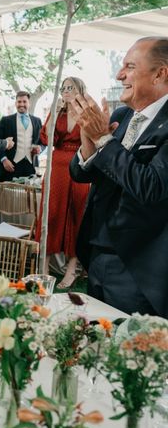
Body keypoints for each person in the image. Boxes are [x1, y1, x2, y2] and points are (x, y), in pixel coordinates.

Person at [70, 36, 168, 317]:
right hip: (97, 255)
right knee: (91, 349)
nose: (119, 74)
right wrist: (89, 141)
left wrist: (103, 138)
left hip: (138, 268)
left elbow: (151, 186)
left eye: (129, 66)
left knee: (125, 354)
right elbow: (80, 174)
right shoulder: (123, 115)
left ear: (160, 73)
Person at [35, 77, 91, 289]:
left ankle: (71, 269)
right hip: (56, 169)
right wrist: (54, 112)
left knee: (76, 215)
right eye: (64, 88)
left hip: (80, 167)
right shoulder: (57, 112)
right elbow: (47, 139)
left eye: (71, 87)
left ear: (80, 90)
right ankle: (44, 267)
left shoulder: (86, 112)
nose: (66, 91)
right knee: (52, 213)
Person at [0, 91, 43, 182]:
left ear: (29, 103)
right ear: (15, 103)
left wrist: (40, 148)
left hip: (30, 166)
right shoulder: (6, 120)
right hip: (10, 166)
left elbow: (43, 142)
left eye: (24, 102)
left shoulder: (37, 121)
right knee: (8, 194)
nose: (21, 104)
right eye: (19, 102)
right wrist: (4, 159)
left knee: (27, 195)